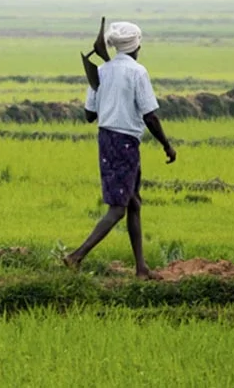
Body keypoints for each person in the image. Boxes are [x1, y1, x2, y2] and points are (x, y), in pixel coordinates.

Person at [64, 21, 176, 279]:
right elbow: (150, 116)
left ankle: (141, 269)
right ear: (137, 45)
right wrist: (167, 145)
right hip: (126, 142)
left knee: (134, 202)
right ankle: (76, 256)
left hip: (107, 139)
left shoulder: (101, 72)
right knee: (118, 208)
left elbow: (89, 115)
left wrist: (103, 93)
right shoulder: (138, 72)